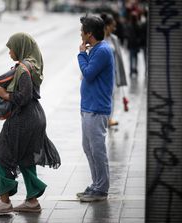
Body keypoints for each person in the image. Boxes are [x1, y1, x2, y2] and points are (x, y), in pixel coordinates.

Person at [0, 32, 61, 214]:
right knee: (26, 159)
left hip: (24, 119)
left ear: (20, 47)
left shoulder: (23, 69)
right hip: (35, 117)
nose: (10, 52)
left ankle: (4, 201)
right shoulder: (33, 65)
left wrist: (5, 95)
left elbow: (24, 97)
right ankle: (32, 201)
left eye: (11, 48)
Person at [76, 15, 114, 202]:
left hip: (96, 108)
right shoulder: (98, 49)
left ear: (89, 34)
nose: (80, 33)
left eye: (82, 31)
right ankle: (96, 184)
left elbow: (89, 74)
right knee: (88, 147)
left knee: (97, 149)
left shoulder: (103, 50)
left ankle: (101, 189)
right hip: (88, 107)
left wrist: (82, 54)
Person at [101, 13, 127, 127]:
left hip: (112, 73)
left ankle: (109, 118)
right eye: (113, 25)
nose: (114, 28)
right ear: (107, 26)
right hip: (101, 74)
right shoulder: (99, 39)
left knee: (112, 96)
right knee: (102, 96)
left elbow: (119, 58)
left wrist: (120, 75)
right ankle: (102, 118)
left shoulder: (114, 39)